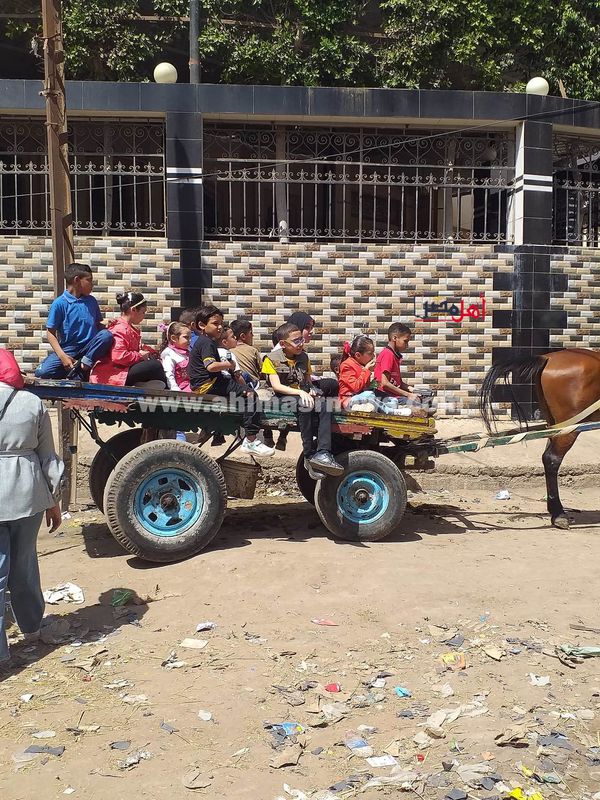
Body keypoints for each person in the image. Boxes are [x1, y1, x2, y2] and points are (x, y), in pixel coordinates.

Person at [0, 349, 63, 668]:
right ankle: (32, 629)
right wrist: (53, 501)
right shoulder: (31, 402)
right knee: (24, 565)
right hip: (27, 494)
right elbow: (48, 458)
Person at [189, 305, 274, 457]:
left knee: (242, 392)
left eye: (221, 323)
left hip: (207, 383)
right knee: (250, 394)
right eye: (215, 323)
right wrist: (230, 365)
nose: (220, 327)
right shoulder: (207, 342)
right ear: (202, 325)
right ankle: (251, 440)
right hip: (209, 384)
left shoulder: (205, 341)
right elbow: (211, 366)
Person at [262, 322, 344, 479]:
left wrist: (311, 389)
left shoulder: (304, 357)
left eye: (301, 339)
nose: (301, 343)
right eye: (296, 341)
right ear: (283, 344)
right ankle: (309, 454)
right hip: (282, 397)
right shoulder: (271, 359)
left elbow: (307, 381)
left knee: (324, 404)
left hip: (300, 394)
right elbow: (277, 386)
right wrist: (300, 393)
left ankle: (323, 452)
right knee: (304, 405)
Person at [35, 262, 113, 380]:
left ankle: (84, 364)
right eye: (89, 280)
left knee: (106, 335)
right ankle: (77, 370)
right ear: (77, 280)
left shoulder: (91, 301)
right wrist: (62, 356)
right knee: (42, 372)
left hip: (90, 348)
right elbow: (50, 333)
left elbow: (97, 325)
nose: (92, 284)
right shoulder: (60, 303)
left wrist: (109, 325)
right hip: (69, 349)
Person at [90, 292, 167, 387]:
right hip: (113, 374)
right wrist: (139, 355)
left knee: (156, 363)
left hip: (123, 369)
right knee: (155, 365)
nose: (144, 315)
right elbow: (118, 356)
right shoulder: (120, 328)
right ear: (133, 310)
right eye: (143, 312)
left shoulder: (128, 328)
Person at [338, 335, 411, 414]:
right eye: (370, 353)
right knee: (369, 395)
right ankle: (391, 411)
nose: (373, 356)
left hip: (362, 397)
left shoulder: (361, 365)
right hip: (348, 400)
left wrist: (373, 383)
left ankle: (386, 408)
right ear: (358, 355)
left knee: (392, 400)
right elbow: (355, 388)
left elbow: (364, 387)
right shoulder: (346, 365)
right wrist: (366, 370)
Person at [374, 322, 422, 406]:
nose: (407, 345)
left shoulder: (394, 355)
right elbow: (384, 383)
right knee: (418, 404)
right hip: (387, 397)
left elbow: (399, 383)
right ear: (394, 338)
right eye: (405, 341)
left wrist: (414, 390)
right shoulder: (388, 354)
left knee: (423, 399)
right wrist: (408, 395)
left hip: (393, 396)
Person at [160, 322, 192, 392]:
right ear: (174, 338)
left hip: (191, 386)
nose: (190, 340)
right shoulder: (169, 354)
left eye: (190, 337)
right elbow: (168, 374)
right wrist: (175, 390)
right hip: (181, 389)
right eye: (186, 337)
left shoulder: (188, 352)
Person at [230, 318, 263, 386]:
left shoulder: (228, 350)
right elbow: (263, 372)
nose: (252, 336)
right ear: (243, 336)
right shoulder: (252, 350)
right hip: (252, 385)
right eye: (251, 333)